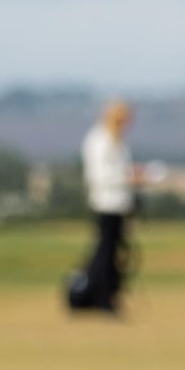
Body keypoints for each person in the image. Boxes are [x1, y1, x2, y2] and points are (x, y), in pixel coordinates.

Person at [75, 100, 141, 313]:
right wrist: (128, 177)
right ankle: (100, 297)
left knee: (113, 253)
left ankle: (108, 294)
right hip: (106, 204)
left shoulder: (115, 140)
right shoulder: (99, 140)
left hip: (119, 204)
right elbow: (99, 176)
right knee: (104, 253)